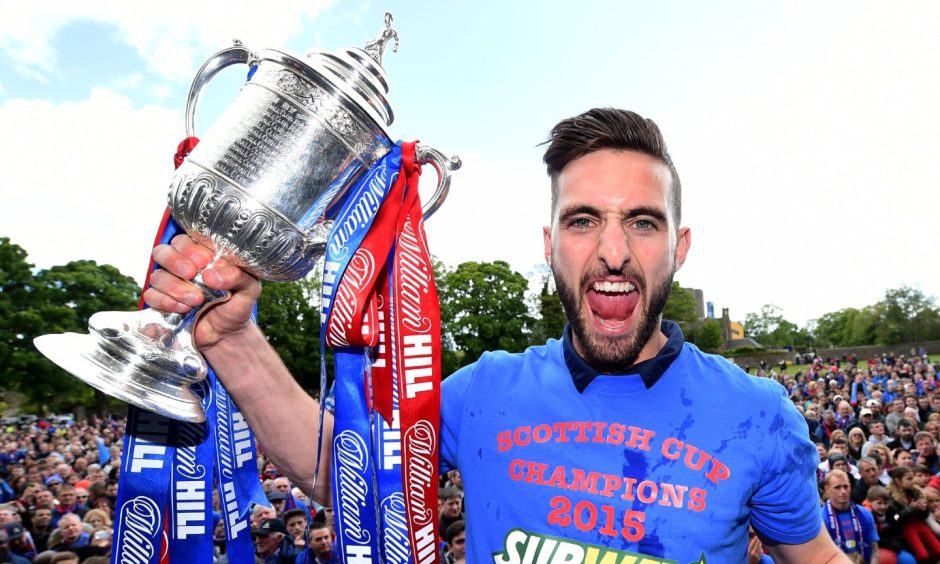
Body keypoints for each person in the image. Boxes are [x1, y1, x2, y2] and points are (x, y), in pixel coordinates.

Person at [144, 108, 848, 561]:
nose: (612, 252)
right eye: (582, 221)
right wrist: (233, 341)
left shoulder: (756, 413)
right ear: (549, 244)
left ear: (679, 246)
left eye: (642, 220)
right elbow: (342, 475)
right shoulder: (486, 390)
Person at [821, 470, 879, 563]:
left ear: (850, 487)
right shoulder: (820, 518)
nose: (843, 491)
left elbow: (874, 550)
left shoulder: (865, 513)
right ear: (827, 489)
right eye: (837, 487)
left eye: (846, 487)